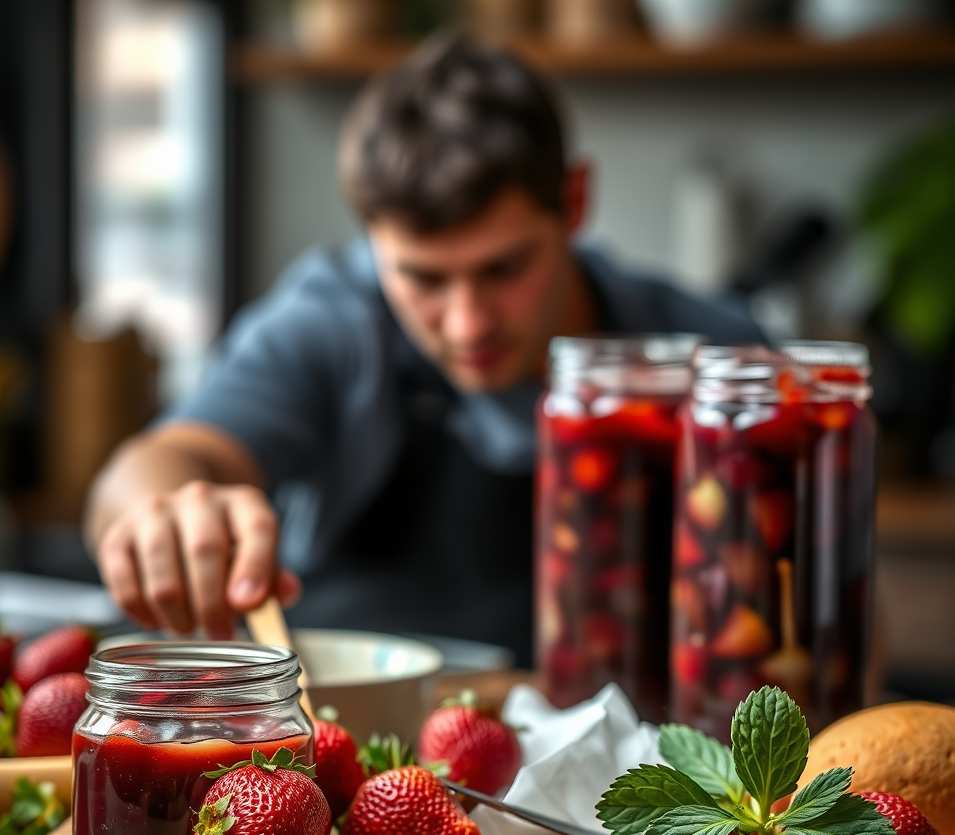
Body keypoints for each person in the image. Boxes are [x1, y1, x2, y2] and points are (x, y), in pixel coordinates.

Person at [85, 35, 760, 667]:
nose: (467, 325)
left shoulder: (716, 361)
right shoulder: (333, 323)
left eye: (503, 269)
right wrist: (166, 515)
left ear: (575, 202)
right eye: (423, 278)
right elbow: (154, 466)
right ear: (373, 239)